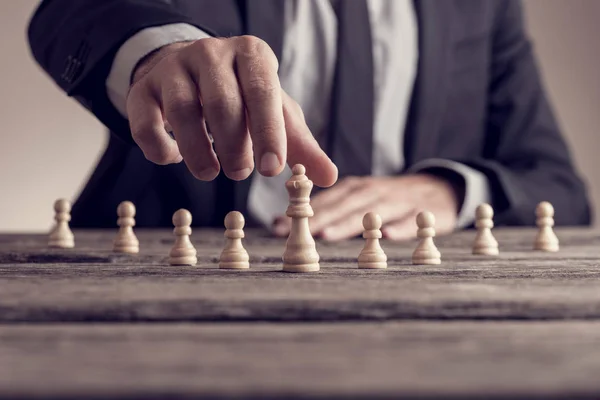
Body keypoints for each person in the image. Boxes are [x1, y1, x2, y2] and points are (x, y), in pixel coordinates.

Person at [27, 0, 590, 241]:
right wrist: (158, 52)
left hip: (406, 310)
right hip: (159, 296)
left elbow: (558, 185)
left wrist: (449, 189)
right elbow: (70, 11)